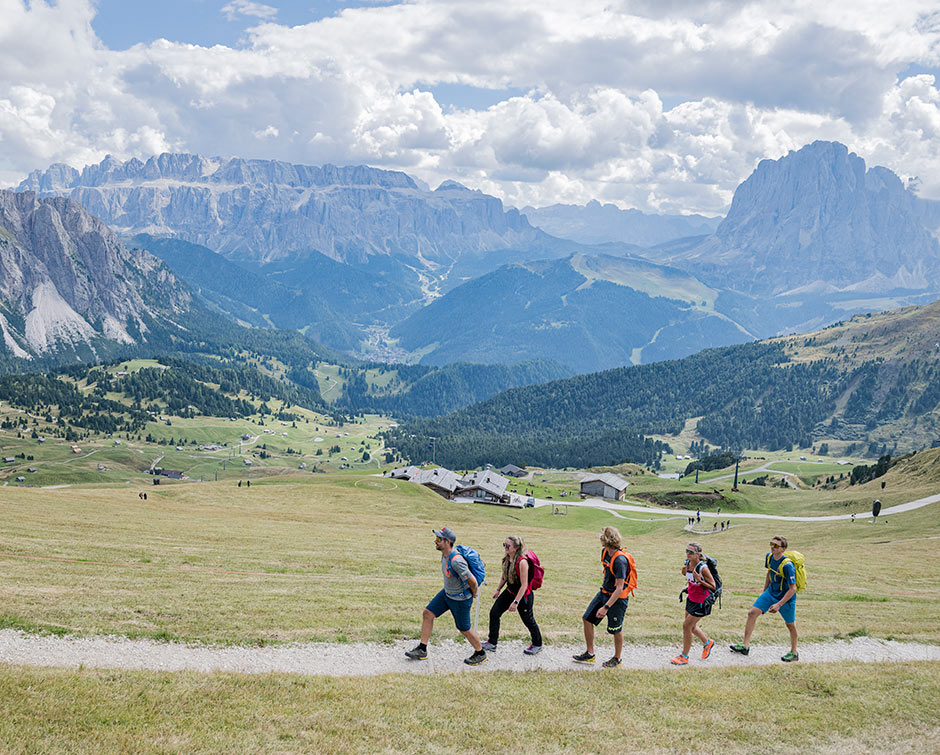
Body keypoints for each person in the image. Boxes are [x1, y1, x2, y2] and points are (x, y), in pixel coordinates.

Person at [405, 527, 487, 665]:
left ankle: (480, 653)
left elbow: (472, 581)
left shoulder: (456, 561)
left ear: (447, 542)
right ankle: (422, 649)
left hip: (460, 600)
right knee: (428, 614)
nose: (435, 541)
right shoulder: (444, 555)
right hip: (447, 594)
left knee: (464, 629)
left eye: (438, 539)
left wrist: (473, 594)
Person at [573, 526, 634, 668]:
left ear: (605, 539)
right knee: (587, 619)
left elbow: (619, 588)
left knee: (615, 630)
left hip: (617, 599)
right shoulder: (605, 552)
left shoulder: (620, 561)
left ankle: (617, 659)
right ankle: (590, 654)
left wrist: (606, 607)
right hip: (604, 593)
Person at [730, 535, 799, 662]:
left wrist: (778, 604)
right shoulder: (769, 557)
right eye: (771, 544)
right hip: (770, 592)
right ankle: (745, 647)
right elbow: (769, 573)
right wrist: (764, 592)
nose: (772, 547)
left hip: (786, 598)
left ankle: (794, 653)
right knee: (752, 613)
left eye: (776, 545)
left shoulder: (788, 566)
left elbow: (792, 589)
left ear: (783, 549)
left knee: (790, 625)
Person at [481, 535, 543, 655]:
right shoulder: (506, 559)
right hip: (510, 591)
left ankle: (537, 644)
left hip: (523, 595)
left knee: (528, 620)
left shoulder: (522, 562)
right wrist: (498, 589)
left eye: (508, 546)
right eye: (504, 544)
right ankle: (492, 642)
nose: (505, 547)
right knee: (494, 613)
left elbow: (524, 585)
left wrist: (516, 602)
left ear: (515, 548)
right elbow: (505, 576)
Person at [671, 543, 716, 665]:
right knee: (691, 626)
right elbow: (686, 575)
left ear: (698, 554)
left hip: (702, 602)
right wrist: (684, 571)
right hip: (691, 599)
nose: (687, 554)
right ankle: (708, 643)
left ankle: (684, 656)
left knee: (687, 626)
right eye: (687, 551)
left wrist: (700, 580)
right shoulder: (687, 563)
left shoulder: (703, 568)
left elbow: (713, 586)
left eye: (690, 552)